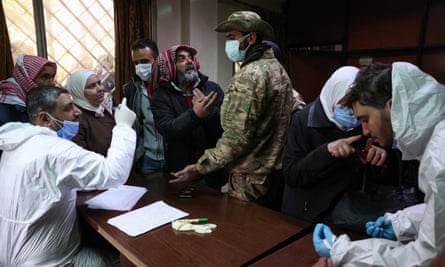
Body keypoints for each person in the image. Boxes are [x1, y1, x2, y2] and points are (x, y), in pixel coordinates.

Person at [312, 62, 445, 266]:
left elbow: (428, 257)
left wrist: (344, 251)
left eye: (365, 119)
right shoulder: (437, 138)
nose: (364, 130)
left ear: (392, 106)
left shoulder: (439, 155)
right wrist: (404, 222)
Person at [170, 11, 294, 211]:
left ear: (251, 37)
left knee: (242, 234)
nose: (228, 44)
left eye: (231, 38)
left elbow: (235, 139)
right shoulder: (278, 70)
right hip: (274, 175)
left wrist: (199, 167)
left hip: (249, 179)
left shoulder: (248, 76)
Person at [0, 86, 136, 266]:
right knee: (126, 261)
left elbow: (52, 180)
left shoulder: (18, 144)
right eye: (68, 108)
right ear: (44, 118)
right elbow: (114, 174)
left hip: (11, 258)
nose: (78, 112)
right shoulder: (54, 150)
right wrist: (124, 127)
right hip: (55, 262)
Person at [282, 66, 400, 223]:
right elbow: (292, 174)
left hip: (347, 206)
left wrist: (379, 156)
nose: (352, 115)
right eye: (345, 107)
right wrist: (326, 151)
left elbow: (382, 174)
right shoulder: (304, 120)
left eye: (355, 109)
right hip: (307, 212)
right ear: (333, 95)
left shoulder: (363, 122)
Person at [150, 44, 226, 189]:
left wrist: (210, 113)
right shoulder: (161, 95)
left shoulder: (212, 88)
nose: (189, 61)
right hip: (181, 172)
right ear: (170, 66)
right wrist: (195, 114)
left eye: (191, 57)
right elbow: (168, 129)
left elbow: (226, 127)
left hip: (211, 171)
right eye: (181, 59)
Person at [123, 38, 165, 174]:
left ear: (157, 60)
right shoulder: (132, 89)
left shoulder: (170, 85)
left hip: (172, 158)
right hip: (147, 158)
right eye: (136, 63)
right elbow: (135, 125)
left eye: (145, 62)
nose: (140, 67)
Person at [67, 69, 115, 155]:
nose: (100, 89)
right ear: (79, 92)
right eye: (91, 86)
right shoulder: (75, 120)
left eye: (99, 83)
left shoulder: (104, 108)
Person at [0, 54, 57, 126]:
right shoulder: (6, 107)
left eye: (52, 77)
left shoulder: (38, 100)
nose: (52, 83)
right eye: (45, 77)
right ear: (26, 78)